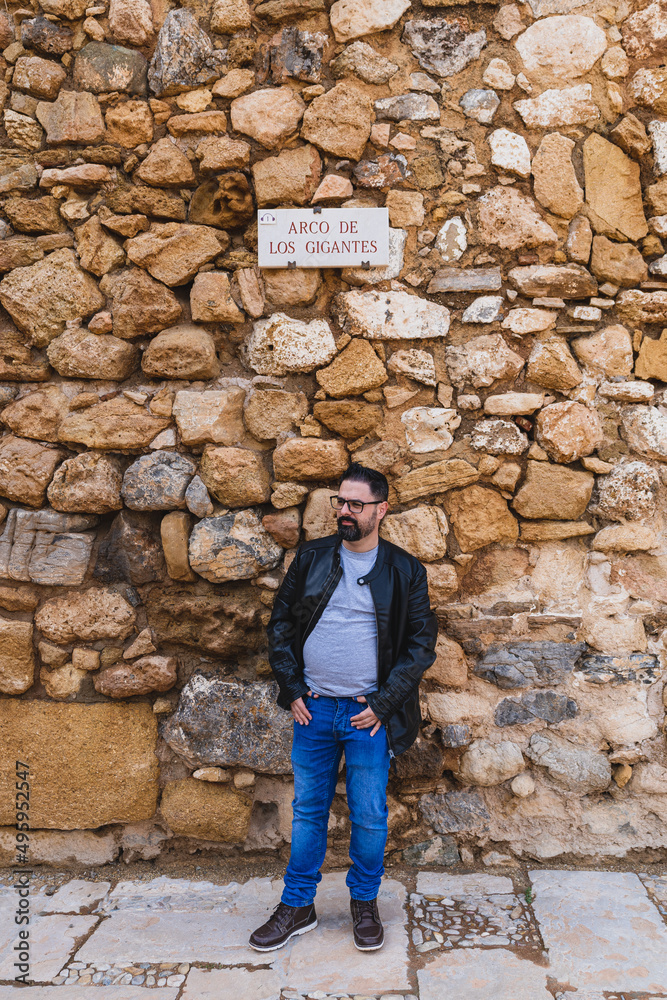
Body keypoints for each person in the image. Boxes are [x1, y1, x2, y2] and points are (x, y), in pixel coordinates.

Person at [248, 462, 438, 954]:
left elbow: (420, 646)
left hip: (367, 717)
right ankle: (297, 906)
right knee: (308, 810)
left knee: (370, 815)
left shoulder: (404, 570)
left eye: (356, 504)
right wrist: (291, 689)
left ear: (382, 510)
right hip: (312, 710)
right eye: (340, 502)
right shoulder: (311, 559)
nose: (345, 512)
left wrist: (383, 704)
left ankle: (364, 904)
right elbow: (280, 627)